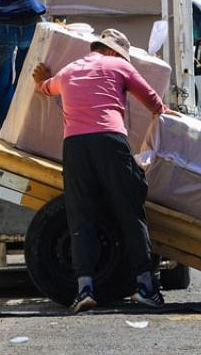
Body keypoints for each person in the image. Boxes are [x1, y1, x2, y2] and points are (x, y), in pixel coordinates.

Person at [31, 29, 174, 313]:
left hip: (74, 147)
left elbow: (46, 87)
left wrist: (40, 79)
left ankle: (84, 289)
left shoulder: (70, 70)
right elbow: (152, 100)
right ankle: (146, 287)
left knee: (80, 215)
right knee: (130, 210)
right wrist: (166, 114)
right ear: (113, 52)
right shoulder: (119, 65)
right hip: (110, 142)